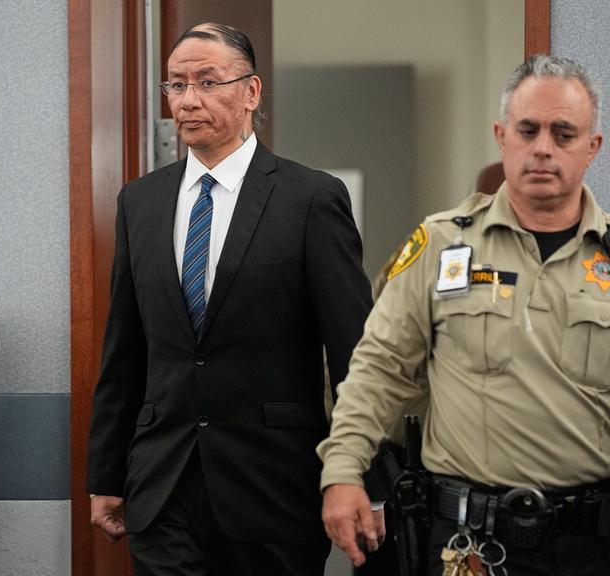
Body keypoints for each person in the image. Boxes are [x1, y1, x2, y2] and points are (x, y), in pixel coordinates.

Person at [86, 22, 374, 576]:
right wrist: (106, 474)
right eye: (175, 85)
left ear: (251, 92)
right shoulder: (139, 202)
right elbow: (124, 348)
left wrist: (365, 476)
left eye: (207, 82)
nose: (188, 101)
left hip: (272, 485)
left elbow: (354, 353)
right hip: (162, 483)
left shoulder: (310, 198)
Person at [318, 54, 609, 576]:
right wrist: (343, 471)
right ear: (502, 136)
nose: (543, 147)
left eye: (564, 133)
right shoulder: (441, 243)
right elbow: (378, 368)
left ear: (593, 147)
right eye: (528, 129)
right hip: (468, 545)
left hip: (590, 545)